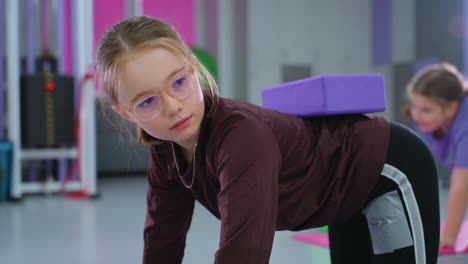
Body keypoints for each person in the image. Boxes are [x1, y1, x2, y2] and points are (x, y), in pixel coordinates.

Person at [96, 16, 440, 264]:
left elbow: (244, 252)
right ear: (125, 112)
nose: (172, 107)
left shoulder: (241, 136)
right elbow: (163, 238)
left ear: (193, 68)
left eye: (179, 83)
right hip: (342, 198)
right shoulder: (166, 154)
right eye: (147, 102)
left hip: (385, 170)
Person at [406, 63, 468, 253]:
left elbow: (460, 186)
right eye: (414, 107)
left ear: (451, 108)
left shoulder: (465, 127)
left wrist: (448, 240)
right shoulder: (447, 121)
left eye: (425, 110)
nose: (416, 115)